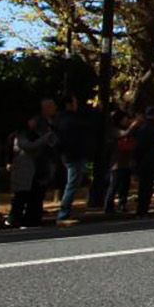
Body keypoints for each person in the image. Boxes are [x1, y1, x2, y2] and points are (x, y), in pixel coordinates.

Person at [7, 109, 56, 228]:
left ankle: (32, 219)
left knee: (35, 196)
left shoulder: (36, 132)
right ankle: (14, 219)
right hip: (24, 169)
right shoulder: (20, 135)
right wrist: (45, 139)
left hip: (35, 170)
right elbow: (29, 147)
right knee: (21, 196)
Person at [53, 94, 91, 224]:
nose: (76, 105)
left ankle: (65, 212)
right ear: (68, 104)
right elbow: (82, 127)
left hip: (70, 154)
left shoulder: (60, 118)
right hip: (73, 154)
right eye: (74, 102)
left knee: (73, 183)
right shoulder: (69, 119)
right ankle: (63, 214)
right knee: (72, 184)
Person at [102, 112, 136, 215]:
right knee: (114, 185)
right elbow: (124, 134)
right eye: (125, 119)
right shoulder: (114, 130)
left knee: (125, 186)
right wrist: (133, 125)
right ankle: (108, 206)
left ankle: (122, 204)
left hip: (127, 162)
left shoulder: (130, 133)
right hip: (116, 163)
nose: (127, 121)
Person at [134, 108, 154, 217]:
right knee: (146, 186)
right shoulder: (151, 128)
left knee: (144, 186)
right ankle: (142, 210)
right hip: (149, 160)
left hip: (144, 160)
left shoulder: (143, 127)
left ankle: (141, 210)